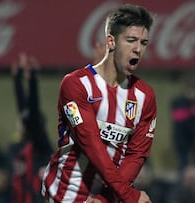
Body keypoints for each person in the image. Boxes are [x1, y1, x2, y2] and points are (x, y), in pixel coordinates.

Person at [41, 4, 156, 203]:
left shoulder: (145, 97)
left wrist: (104, 199)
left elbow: (136, 155)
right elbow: (91, 143)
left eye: (144, 43)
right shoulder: (76, 85)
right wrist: (129, 195)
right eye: (131, 40)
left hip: (110, 197)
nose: (138, 49)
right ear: (111, 41)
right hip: (65, 195)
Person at [9, 53, 53, 203]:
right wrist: (17, 79)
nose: (20, 124)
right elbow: (25, 113)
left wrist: (32, 81)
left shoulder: (40, 146)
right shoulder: (18, 147)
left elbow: (31, 113)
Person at [170, 76, 195, 173]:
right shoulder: (178, 102)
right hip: (182, 140)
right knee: (183, 164)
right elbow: (178, 117)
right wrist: (190, 109)